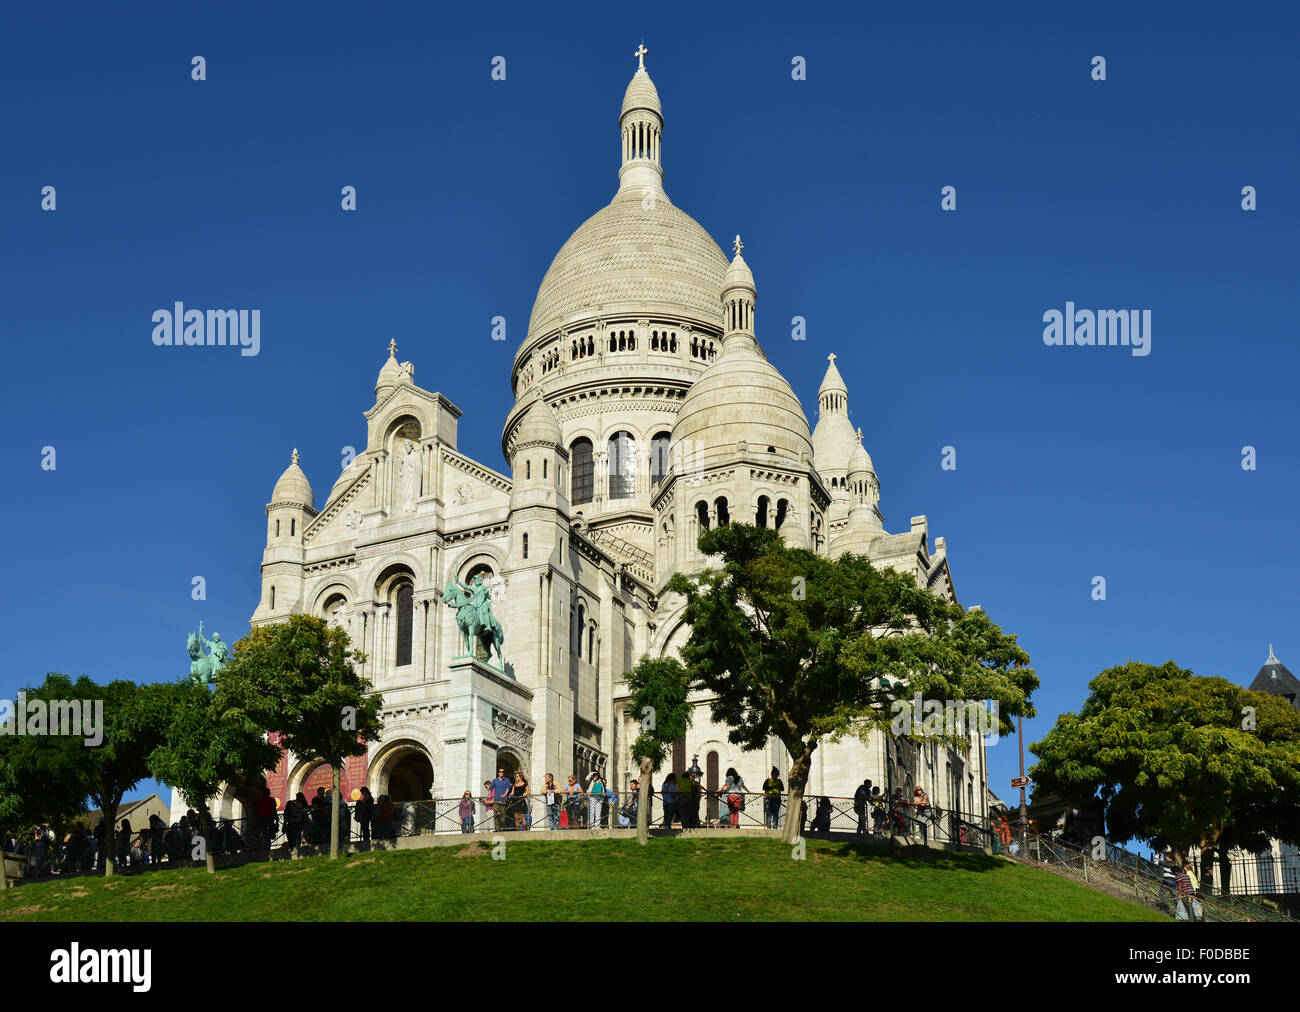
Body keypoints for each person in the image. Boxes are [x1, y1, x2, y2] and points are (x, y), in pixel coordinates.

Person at [490, 767, 513, 832]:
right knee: (496, 816)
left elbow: (508, 788)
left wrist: (505, 794)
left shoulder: (507, 780)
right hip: (496, 801)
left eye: (502, 772)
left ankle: (503, 830)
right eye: (500, 772)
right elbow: (491, 788)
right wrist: (489, 794)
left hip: (503, 801)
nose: (501, 773)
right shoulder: (495, 780)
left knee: (503, 817)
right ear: (498, 773)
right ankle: (497, 830)